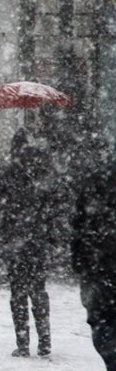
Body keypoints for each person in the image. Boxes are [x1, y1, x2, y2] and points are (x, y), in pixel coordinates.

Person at [0, 127, 55, 358]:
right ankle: (45, 341)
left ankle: (23, 343)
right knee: (39, 291)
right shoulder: (42, 172)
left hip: (14, 240)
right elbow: (52, 206)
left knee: (18, 293)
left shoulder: (7, 172)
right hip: (36, 240)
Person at [73, 150, 116, 370]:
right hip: (100, 266)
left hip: (99, 268)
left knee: (103, 323)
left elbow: (79, 226)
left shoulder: (95, 181)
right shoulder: (96, 182)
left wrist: (81, 262)